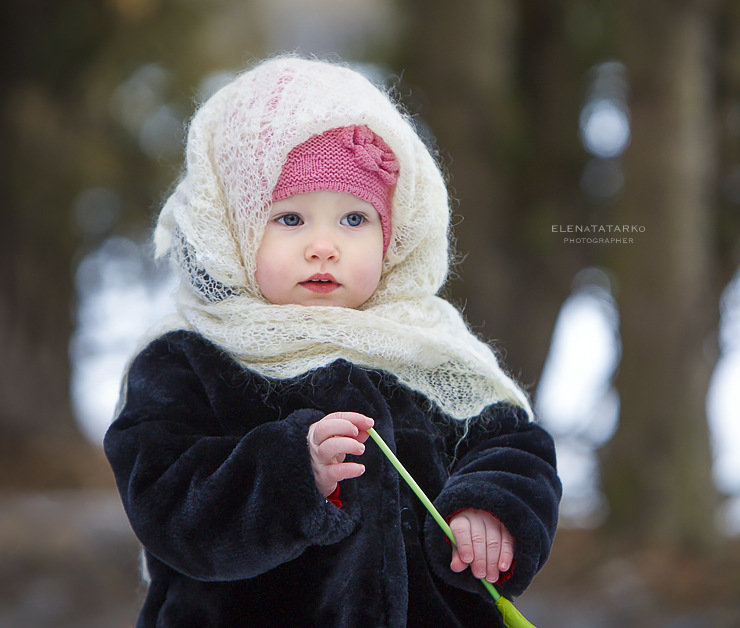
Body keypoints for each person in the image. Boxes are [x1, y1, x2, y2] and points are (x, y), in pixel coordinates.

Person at [104, 56, 561, 627]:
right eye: (290, 219)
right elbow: (166, 497)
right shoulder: (188, 359)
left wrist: (491, 508)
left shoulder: (424, 348)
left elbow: (513, 444)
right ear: (233, 229)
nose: (324, 246)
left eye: (353, 219)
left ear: (392, 233)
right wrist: (291, 472)